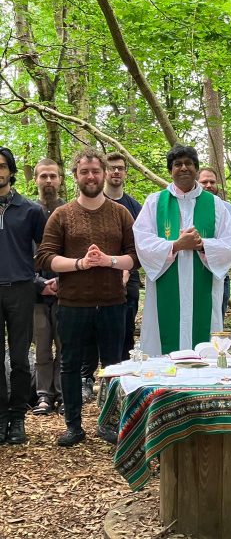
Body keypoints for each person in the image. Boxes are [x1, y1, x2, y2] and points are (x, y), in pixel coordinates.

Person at [36, 148, 139, 447]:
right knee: (69, 364)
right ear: (76, 176)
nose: (91, 176)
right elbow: (45, 257)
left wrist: (108, 261)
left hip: (112, 304)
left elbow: (135, 257)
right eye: (84, 171)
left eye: (96, 171)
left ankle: (108, 423)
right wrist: (80, 263)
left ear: (104, 173)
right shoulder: (62, 214)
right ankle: (74, 426)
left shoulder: (121, 214)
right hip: (72, 305)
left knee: (112, 366)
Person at [133, 144, 231, 356]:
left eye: (189, 163)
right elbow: (142, 241)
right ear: (170, 170)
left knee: (205, 343)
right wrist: (176, 245)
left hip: (204, 288)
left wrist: (201, 244)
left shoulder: (215, 204)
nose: (183, 168)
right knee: (163, 343)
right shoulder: (155, 202)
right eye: (177, 164)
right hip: (166, 287)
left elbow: (230, 243)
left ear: (196, 169)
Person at [80, 152, 142, 402]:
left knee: (124, 330)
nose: (116, 172)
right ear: (105, 172)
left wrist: (124, 271)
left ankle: (123, 380)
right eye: (112, 168)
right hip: (91, 277)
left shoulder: (135, 206)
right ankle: (87, 378)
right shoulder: (91, 200)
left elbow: (137, 246)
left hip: (128, 276)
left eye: (120, 168)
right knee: (89, 331)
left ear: (125, 173)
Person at [0, 147, 46, 445]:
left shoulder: (30, 210)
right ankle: (0, 417)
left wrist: (41, 281)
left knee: (19, 359)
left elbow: (44, 251)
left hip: (20, 289)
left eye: (2, 166)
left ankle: (17, 418)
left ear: (11, 170)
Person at [32, 159, 65, 416]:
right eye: (43, 176)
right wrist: (40, 283)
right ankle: (44, 395)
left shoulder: (69, 211)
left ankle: (64, 393)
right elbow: (20, 255)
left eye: (53, 176)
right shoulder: (28, 212)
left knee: (65, 345)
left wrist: (61, 281)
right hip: (35, 294)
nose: (48, 181)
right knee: (42, 345)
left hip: (66, 291)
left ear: (61, 179)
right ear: (35, 180)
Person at [198, 166, 231, 317]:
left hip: (219, 275)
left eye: (212, 182)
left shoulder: (227, 209)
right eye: (204, 182)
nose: (209, 185)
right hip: (194, 275)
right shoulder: (187, 207)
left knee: (216, 319)